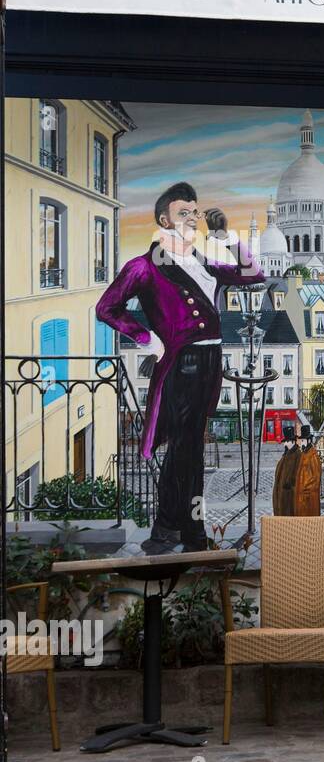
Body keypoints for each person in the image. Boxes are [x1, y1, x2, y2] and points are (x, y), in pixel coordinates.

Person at [96, 182, 265, 554]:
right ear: (163, 220)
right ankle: (182, 532)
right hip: (183, 364)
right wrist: (146, 339)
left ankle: (176, 529)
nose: (192, 219)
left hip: (209, 362)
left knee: (189, 450)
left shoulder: (202, 261)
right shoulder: (143, 267)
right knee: (186, 451)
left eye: (194, 212)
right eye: (182, 213)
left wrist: (228, 237)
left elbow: (254, 274)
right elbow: (106, 308)